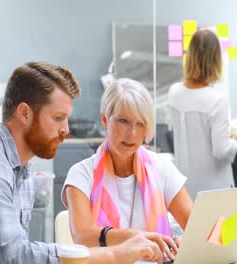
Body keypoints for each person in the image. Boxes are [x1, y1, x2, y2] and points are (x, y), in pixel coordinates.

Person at [0, 62, 165, 264]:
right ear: (24, 113)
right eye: (58, 118)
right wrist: (114, 254)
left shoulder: (21, 170)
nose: (66, 130)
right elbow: (16, 257)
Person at [62, 78, 193, 262]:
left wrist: (186, 241)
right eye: (124, 121)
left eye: (140, 124)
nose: (132, 133)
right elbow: (82, 236)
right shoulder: (81, 174)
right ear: (105, 119)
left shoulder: (162, 168)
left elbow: (197, 226)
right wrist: (135, 238)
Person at [166, 29, 237, 200]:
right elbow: (221, 150)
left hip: (185, 189)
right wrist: (235, 141)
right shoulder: (217, 101)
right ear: (216, 60)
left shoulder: (174, 92)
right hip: (215, 191)